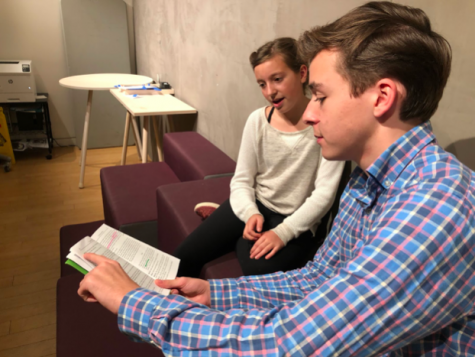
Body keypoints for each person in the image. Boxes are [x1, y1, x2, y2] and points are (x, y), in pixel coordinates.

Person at [78, 1, 475, 356]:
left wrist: (131, 301)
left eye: (319, 95)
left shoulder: (437, 207)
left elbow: (285, 344)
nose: (312, 113)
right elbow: (319, 278)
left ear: (382, 96)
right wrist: (215, 292)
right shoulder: (368, 180)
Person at [174, 37, 344, 277]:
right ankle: (230, 220)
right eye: (262, 84)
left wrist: (283, 232)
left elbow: (324, 195)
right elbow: (242, 180)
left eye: (277, 79)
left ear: (302, 73)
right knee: (181, 258)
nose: (270, 92)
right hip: (257, 205)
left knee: (259, 268)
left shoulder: (324, 125)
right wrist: (250, 213)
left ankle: (228, 224)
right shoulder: (257, 120)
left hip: (293, 216)